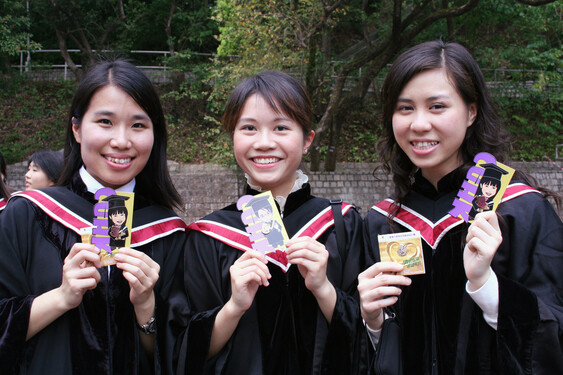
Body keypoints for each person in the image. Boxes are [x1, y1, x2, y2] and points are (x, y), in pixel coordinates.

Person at [358, 40, 563, 374]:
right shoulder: (385, 221)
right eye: (405, 108)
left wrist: (487, 286)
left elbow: (553, 332)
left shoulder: (520, 210)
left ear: (471, 111)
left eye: (437, 106)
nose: (419, 124)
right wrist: (372, 321)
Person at [0, 59, 188, 374]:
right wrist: (61, 298)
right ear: (76, 128)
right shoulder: (27, 215)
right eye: (105, 122)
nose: (122, 141)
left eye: (138, 125)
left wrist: (145, 307)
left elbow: (182, 357)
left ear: (154, 135)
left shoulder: (168, 232)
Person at [177, 70, 366, 374]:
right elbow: (185, 353)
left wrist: (323, 288)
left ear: (307, 140)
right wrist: (234, 307)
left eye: (281, 127)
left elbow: (371, 341)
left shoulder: (342, 224)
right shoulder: (207, 236)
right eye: (249, 128)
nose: (264, 143)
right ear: (233, 138)